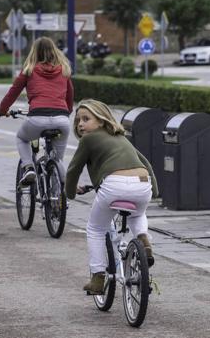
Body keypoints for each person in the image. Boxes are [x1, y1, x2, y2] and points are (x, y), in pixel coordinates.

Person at [65, 99, 158, 294]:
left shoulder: (88, 140)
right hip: (143, 184)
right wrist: (155, 192)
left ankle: (98, 278)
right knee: (138, 215)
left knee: (96, 229)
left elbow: (73, 170)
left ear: (101, 120)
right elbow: (146, 164)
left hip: (114, 185)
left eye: (86, 119)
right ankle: (144, 240)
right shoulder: (121, 138)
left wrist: (70, 194)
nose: (80, 124)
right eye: (78, 120)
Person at [0, 37, 74, 186]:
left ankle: (28, 167)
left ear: (34, 52)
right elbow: (70, 96)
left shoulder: (29, 70)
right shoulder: (64, 70)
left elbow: (13, 92)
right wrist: (67, 113)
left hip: (37, 117)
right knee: (58, 160)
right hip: (62, 119)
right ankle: (61, 198)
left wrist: (2, 110)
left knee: (21, 138)